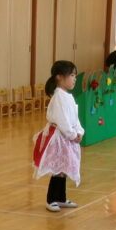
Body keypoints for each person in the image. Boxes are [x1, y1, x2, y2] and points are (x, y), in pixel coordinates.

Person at [33, 60, 83, 213]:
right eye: (72, 75)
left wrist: (79, 131)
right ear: (60, 77)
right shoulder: (59, 97)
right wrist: (73, 134)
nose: (75, 79)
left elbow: (74, 118)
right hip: (60, 138)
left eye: (75, 75)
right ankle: (51, 199)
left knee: (64, 168)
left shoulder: (67, 96)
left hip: (67, 138)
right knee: (58, 169)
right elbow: (62, 121)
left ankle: (61, 197)